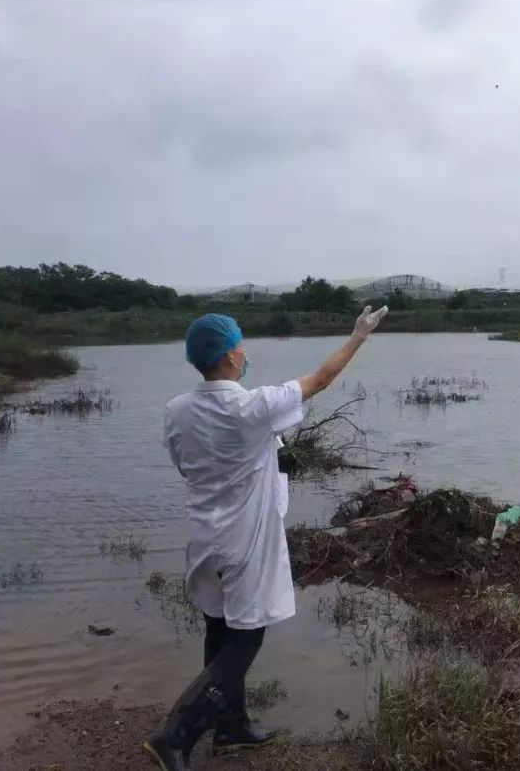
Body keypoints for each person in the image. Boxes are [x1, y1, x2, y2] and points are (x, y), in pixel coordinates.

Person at [143, 305, 388, 771]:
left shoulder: (177, 410)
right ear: (230, 358)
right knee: (246, 638)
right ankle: (175, 735)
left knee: (219, 627)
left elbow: (184, 466)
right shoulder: (252, 407)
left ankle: (231, 726)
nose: (244, 352)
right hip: (246, 539)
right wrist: (358, 335)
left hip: (204, 537)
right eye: (240, 345)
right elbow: (320, 379)